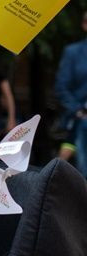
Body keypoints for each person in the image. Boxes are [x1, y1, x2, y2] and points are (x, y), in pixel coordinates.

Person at [55, 11, 87, 177]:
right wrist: (78, 111)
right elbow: (61, 87)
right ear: (84, 25)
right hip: (80, 118)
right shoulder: (73, 53)